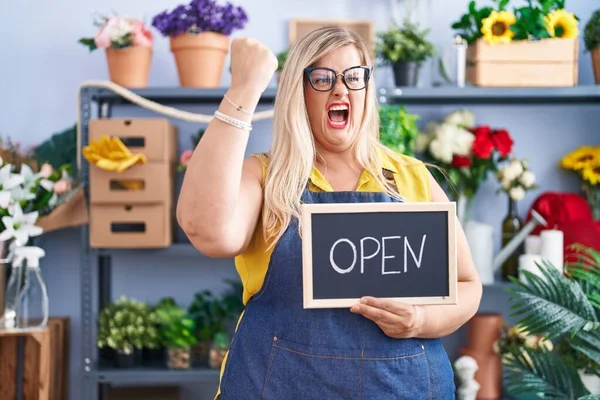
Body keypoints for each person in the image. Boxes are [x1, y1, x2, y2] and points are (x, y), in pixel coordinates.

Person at [177, 26, 483, 400]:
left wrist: (420, 320)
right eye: (322, 78)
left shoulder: (413, 179)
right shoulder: (265, 179)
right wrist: (243, 90)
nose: (341, 89)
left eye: (354, 77)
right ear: (298, 92)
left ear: (367, 90)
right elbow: (206, 230)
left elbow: (467, 286)